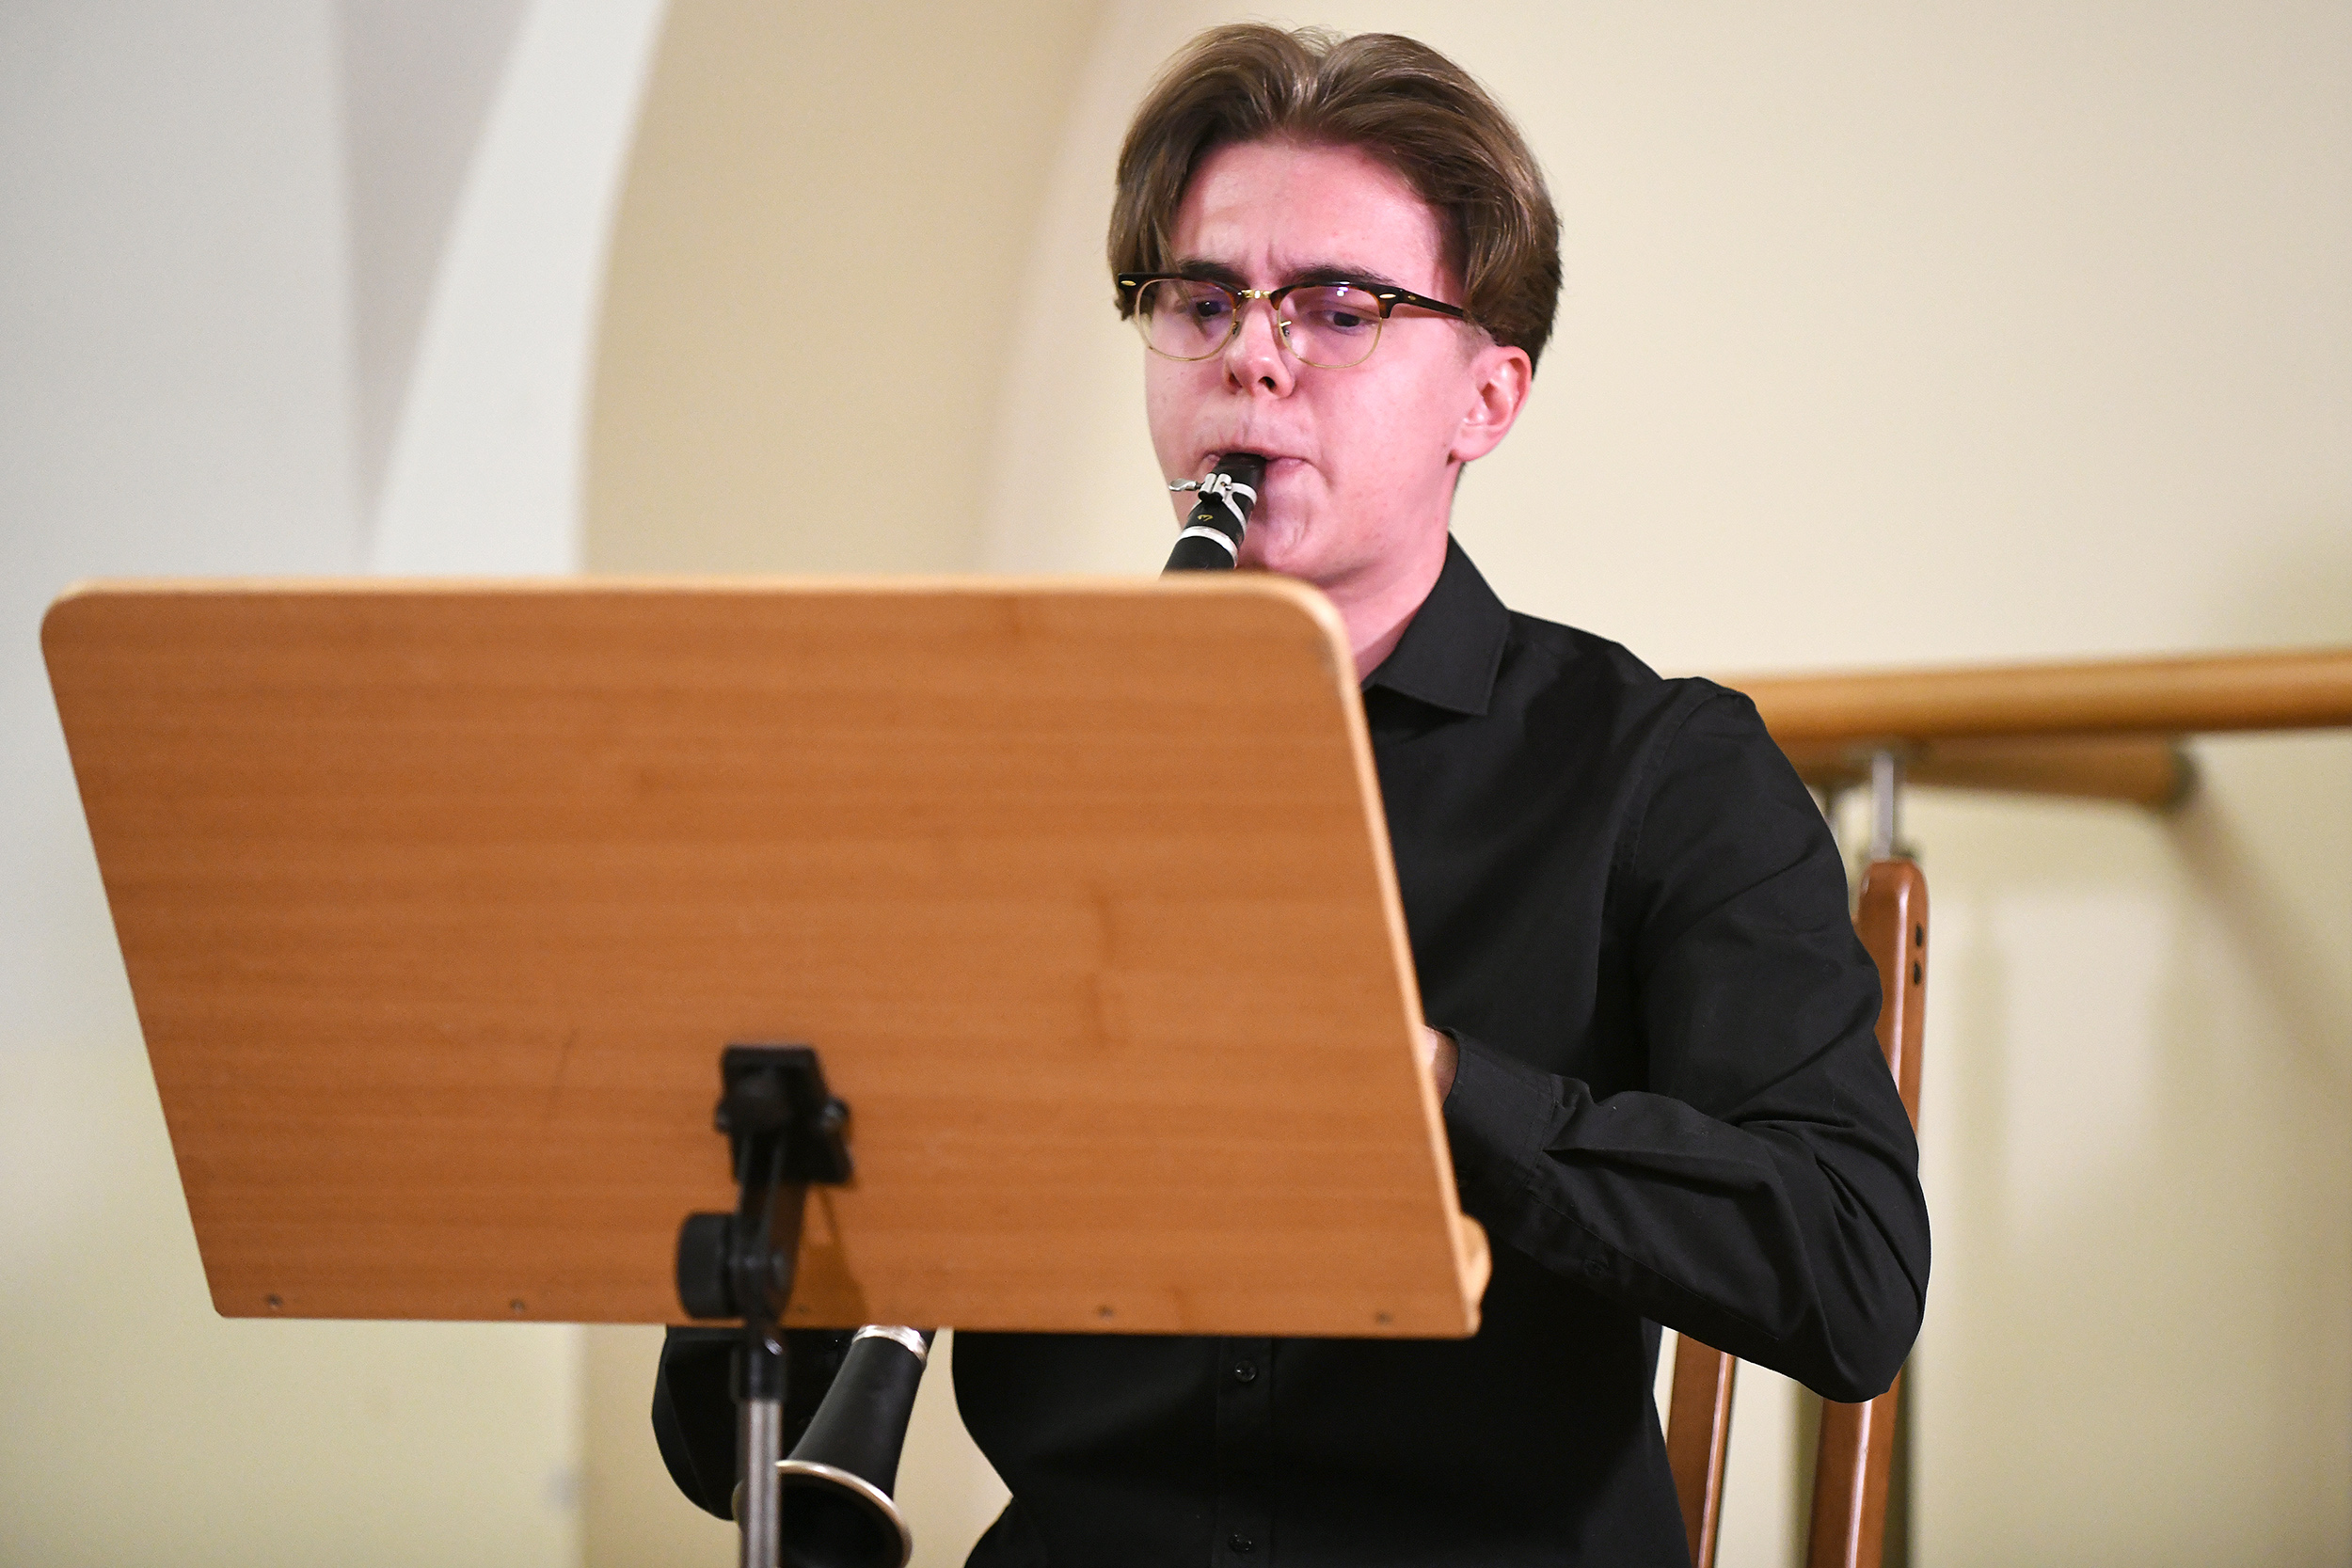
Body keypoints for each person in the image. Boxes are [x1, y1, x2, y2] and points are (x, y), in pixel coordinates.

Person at [658, 24, 1928, 1566]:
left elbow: (1852, 1279)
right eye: (1202, 303)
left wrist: (1420, 1078)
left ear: (1488, 398)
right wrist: (854, 1122)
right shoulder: (989, 769)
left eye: (1341, 310)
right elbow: (714, 1441)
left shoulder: (1664, 774)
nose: (1252, 357)